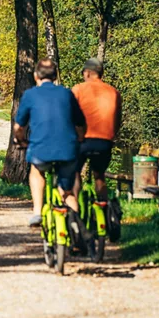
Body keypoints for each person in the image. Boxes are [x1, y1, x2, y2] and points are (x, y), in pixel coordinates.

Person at [12, 59, 86, 228]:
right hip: (67, 149)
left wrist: (20, 140)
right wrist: (80, 138)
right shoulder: (67, 94)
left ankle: (37, 211)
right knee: (66, 192)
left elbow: (19, 127)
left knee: (36, 171)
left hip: (41, 149)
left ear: (36, 76)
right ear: (55, 76)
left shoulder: (30, 95)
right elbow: (80, 123)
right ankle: (77, 229)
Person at [72, 58, 122, 201]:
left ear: (87, 73)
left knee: (74, 172)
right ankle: (104, 210)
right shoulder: (113, 92)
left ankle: (74, 210)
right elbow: (117, 120)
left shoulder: (78, 89)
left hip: (83, 140)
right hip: (104, 141)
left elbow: (70, 116)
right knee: (99, 177)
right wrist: (111, 136)